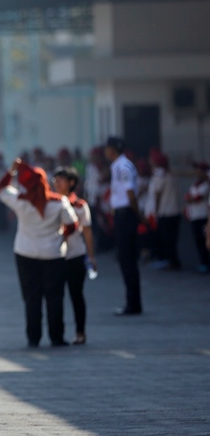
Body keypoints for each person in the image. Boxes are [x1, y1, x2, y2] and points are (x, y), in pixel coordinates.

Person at [0, 159, 78, 348]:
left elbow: (1, 189)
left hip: (25, 253)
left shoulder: (20, 201)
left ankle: (33, 338)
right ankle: (56, 337)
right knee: (55, 297)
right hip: (53, 254)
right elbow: (72, 225)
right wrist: (60, 237)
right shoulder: (59, 202)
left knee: (31, 298)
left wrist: (12, 171)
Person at [53, 167, 96, 345]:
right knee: (56, 297)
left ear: (71, 183)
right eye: (55, 180)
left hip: (76, 255)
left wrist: (91, 257)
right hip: (55, 255)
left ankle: (80, 331)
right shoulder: (51, 203)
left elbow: (87, 232)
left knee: (76, 295)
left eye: (60, 180)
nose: (56, 184)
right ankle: (58, 333)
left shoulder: (80, 205)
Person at [105, 137, 142, 315]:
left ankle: (133, 303)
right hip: (121, 215)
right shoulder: (117, 166)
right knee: (124, 259)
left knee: (127, 260)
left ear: (113, 150)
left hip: (126, 214)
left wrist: (137, 214)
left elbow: (130, 194)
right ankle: (132, 301)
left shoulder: (123, 166)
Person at [146, 151, 182, 270]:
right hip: (174, 212)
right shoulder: (170, 174)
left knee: (167, 240)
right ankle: (172, 261)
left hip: (165, 212)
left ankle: (171, 262)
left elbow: (157, 195)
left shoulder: (160, 175)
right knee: (171, 239)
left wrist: (155, 211)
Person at [184, 163, 210, 273]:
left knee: (206, 242)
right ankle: (204, 263)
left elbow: (196, 198)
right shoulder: (195, 184)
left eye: (199, 170)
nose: (197, 172)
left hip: (203, 216)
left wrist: (190, 199)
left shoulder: (206, 184)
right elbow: (187, 196)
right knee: (199, 242)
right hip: (194, 216)